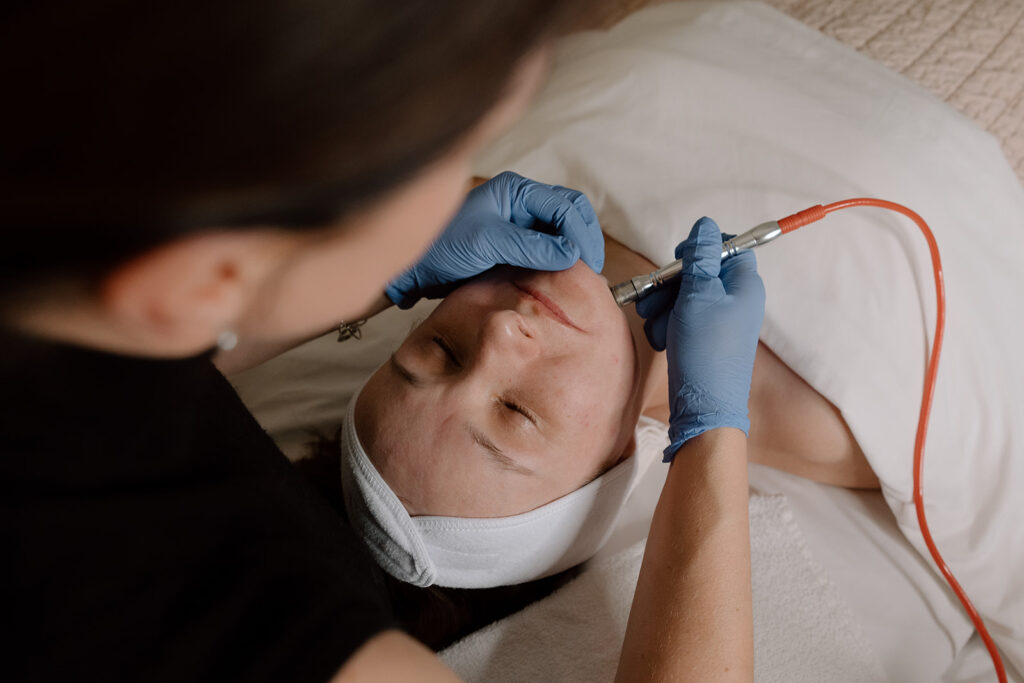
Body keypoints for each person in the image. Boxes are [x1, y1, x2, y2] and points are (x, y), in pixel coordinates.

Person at [1, 2, 612, 681]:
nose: (502, 328)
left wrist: (383, 270)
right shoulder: (289, 643)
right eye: (451, 155)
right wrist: (712, 445)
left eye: (437, 350)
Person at [335, 222, 878, 596]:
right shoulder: (847, 423)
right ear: (613, 463)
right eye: (516, 411)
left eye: (443, 351)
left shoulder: (482, 213)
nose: (500, 331)